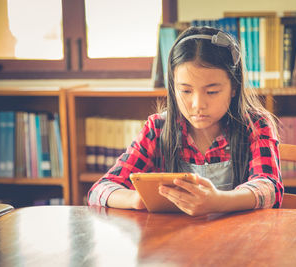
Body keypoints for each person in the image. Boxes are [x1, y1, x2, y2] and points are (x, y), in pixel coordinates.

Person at [88, 26, 283, 216]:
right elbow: (100, 189)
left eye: (212, 91)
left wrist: (219, 202)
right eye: (186, 91)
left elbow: (269, 187)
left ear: (234, 87)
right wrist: (136, 199)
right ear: (173, 88)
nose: (198, 104)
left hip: (240, 241)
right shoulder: (158, 128)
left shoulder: (255, 125)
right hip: (175, 244)